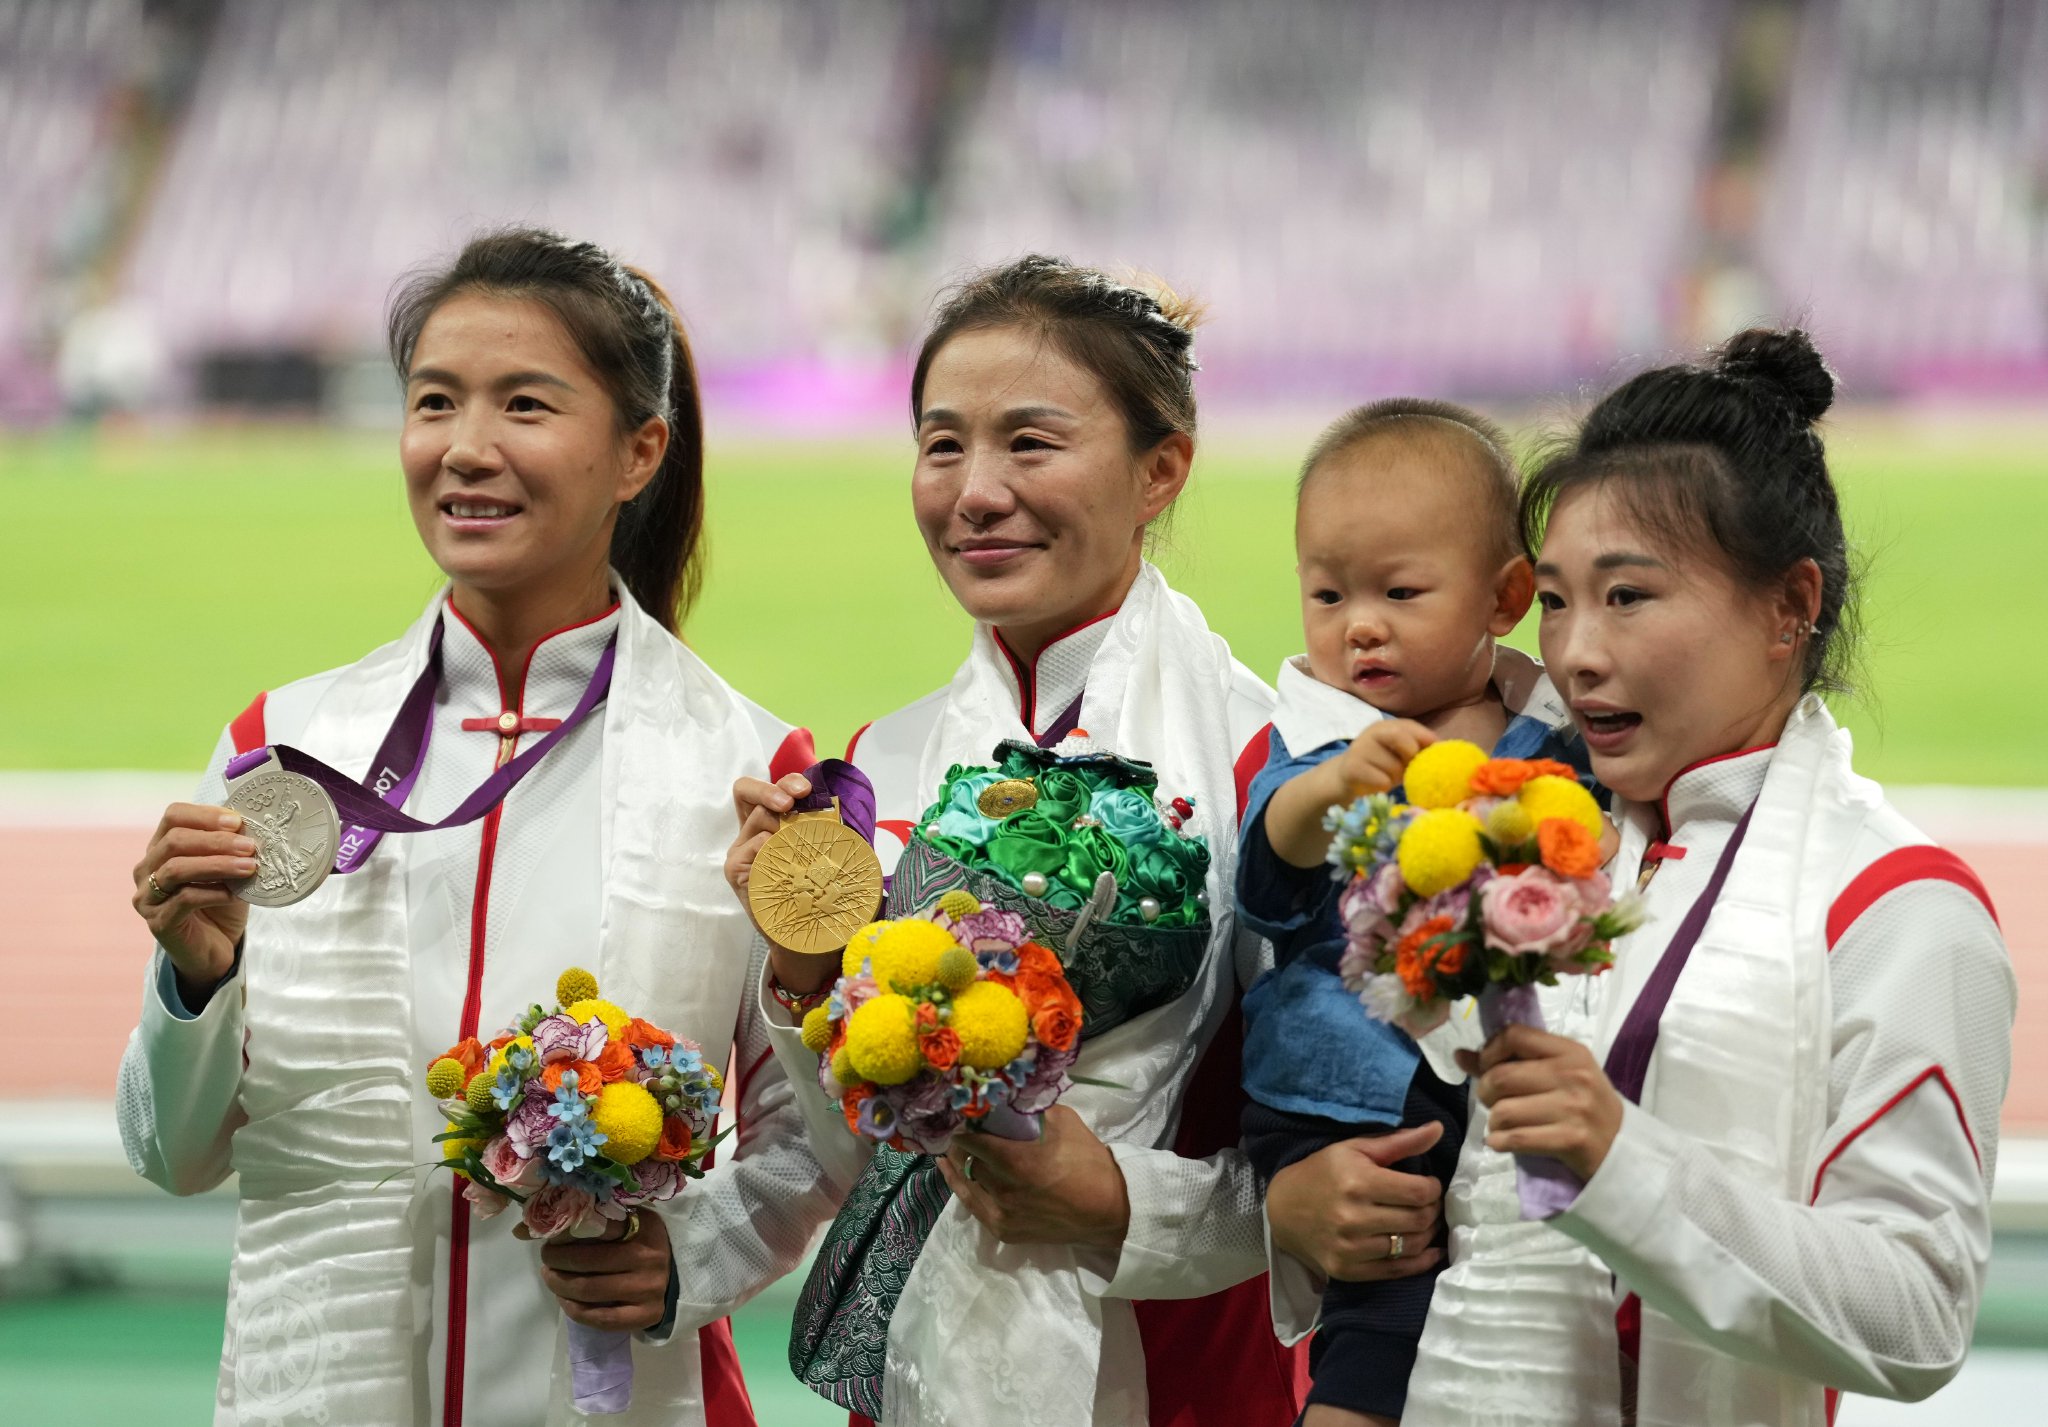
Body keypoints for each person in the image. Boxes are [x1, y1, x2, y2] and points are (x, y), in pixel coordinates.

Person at [117, 228, 845, 1427]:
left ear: (638, 451)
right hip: (323, 1391)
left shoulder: (747, 771)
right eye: (435, 401)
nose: (465, 448)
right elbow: (173, 1152)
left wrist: (690, 1256)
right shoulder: (283, 744)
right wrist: (197, 984)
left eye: (525, 404)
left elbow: (809, 1142)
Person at [726, 256, 1445, 1426]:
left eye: (1030, 441)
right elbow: (856, 1164)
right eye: (942, 442)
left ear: (1161, 468)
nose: (974, 490)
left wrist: (1116, 1199)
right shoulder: (881, 760)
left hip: (1192, 1385)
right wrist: (802, 963)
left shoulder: (1286, 769)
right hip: (919, 1384)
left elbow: (1346, 1174)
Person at [1389, 329, 2016, 1426]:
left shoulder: (1896, 904)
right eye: (1555, 599)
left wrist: (1623, 1162)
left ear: (1787, 607)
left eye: (1626, 596)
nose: (1575, 650)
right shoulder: (1523, 837)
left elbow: (1917, 1311)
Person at [1238, 400, 1594, 1425]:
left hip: (1482, 1091)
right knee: (1379, 1321)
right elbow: (1269, 877)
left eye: (1400, 591)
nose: (1358, 623)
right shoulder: (1323, 730)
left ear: (1504, 595)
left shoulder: (1550, 727)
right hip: (1345, 1094)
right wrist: (1330, 788)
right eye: (1326, 591)